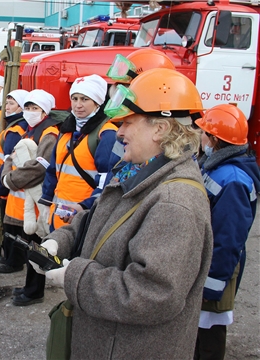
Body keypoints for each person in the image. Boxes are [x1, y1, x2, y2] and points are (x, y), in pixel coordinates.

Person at [36, 68, 213, 358]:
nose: (118, 132)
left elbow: (153, 294)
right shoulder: (138, 172)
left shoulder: (174, 201)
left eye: (127, 122)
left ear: (160, 128)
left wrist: (75, 277)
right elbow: (100, 219)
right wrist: (61, 239)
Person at [193, 104, 260, 360]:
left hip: (215, 270)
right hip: (208, 264)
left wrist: (211, 288)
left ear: (215, 140)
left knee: (208, 334)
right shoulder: (217, 166)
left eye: (204, 133)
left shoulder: (231, 178)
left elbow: (228, 240)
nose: (200, 138)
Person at [0, 90, 61, 307]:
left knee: (38, 246)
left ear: (45, 111)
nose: (29, 112)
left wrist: (9, 179)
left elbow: (39, 167)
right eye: (27, 107)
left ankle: (35, 291)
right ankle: (30, 286)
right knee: (31, 245)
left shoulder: (49, 133)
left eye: (35, 108)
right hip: (28, 200)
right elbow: (13, 158)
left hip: (38, 199)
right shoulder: (32, 130)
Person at [39, 74, 120, 231]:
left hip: (83, 218)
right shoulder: (66, 131)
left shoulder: (107, 134)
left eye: (84, 99)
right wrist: (46, 201)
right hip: (58, 215)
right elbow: (52, 170)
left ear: (97, 103)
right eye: (74, 99)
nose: (78, 105)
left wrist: (85, 208)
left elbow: (107, 181)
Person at [0, 89, 29, 260]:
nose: (6, 107)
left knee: (11, 227)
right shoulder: (12, 126)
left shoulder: (15, 131)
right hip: (6, 187)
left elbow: (8, 164)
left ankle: (13, 260)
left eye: (11, 103)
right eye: (6, 103)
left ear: (21, 107)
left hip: (8, 188)